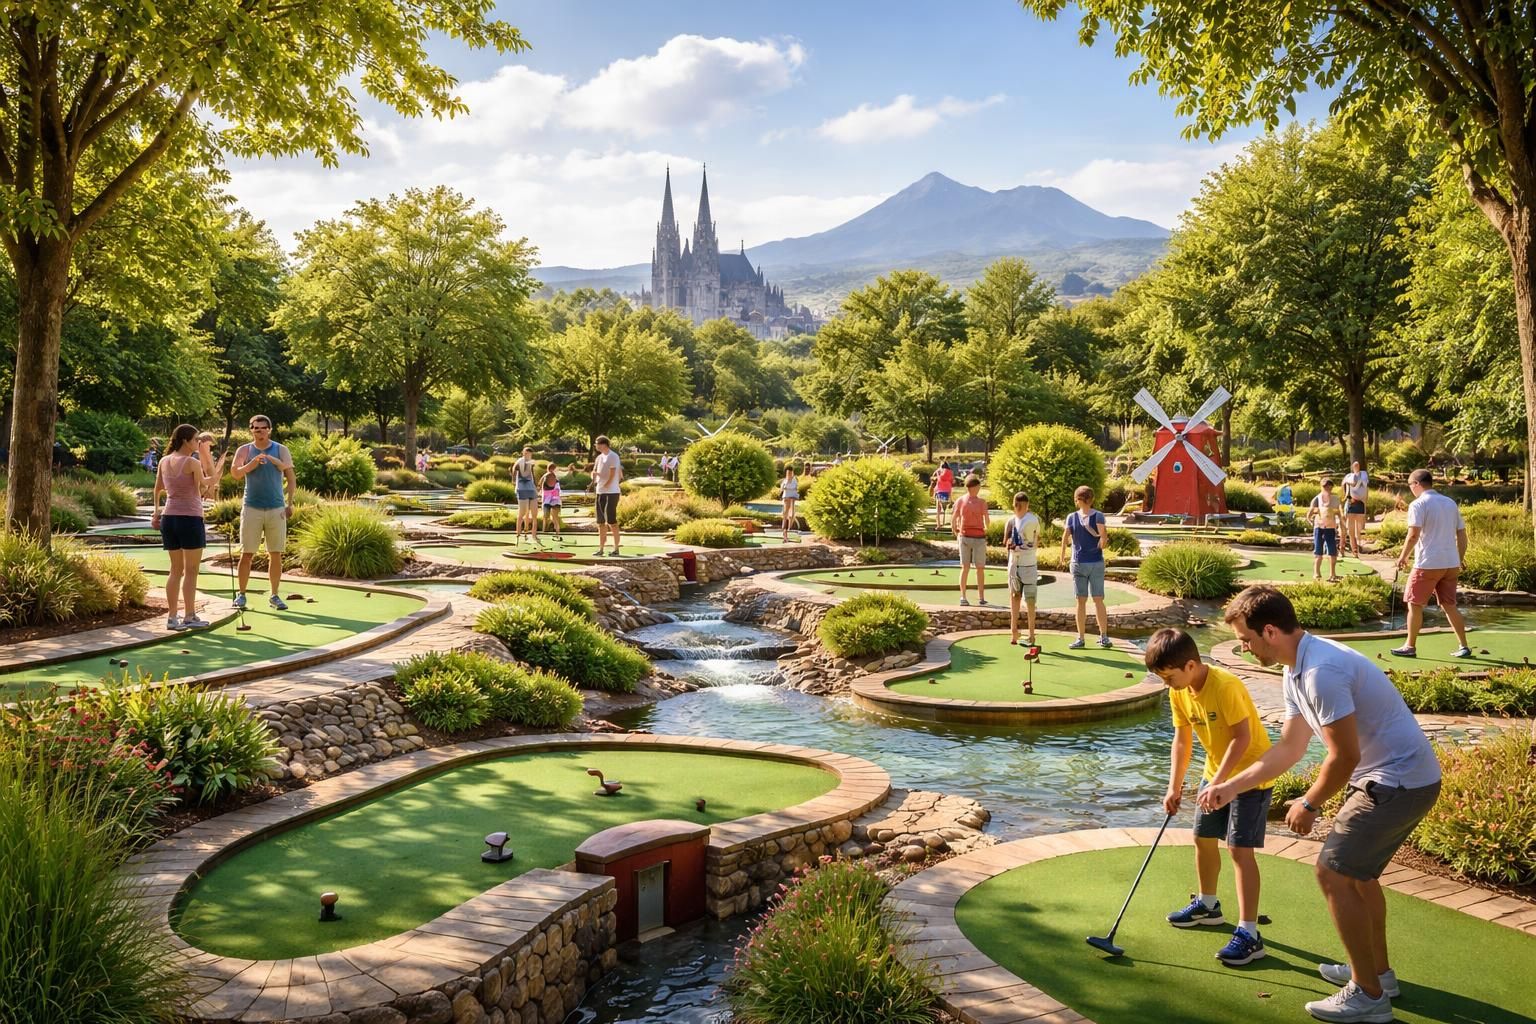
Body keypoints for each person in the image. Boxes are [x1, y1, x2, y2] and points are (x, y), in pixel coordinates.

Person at [1203, 586, 1441, 1023]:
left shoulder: (1321, 672)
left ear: (1269, 631)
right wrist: (1232, 786)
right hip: (1394, 779)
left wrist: (1310, 803)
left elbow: (1344, 756)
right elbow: (1289, 749)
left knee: (1332, 873)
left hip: (1397, 781)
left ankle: (1368, 996)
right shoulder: (1295, 669)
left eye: (1246, 640)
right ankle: (1378, 975)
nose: (1244, 648)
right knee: (1360, 877)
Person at [1146, 628, 1275, 966]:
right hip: (1215, 773)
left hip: (1251, 776)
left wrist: (1219, 783)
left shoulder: (1225, 686)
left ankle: (1250, 933)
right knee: (1202, 838)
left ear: (1190, 665)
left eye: (1169, 677)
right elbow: (1182, 740)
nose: (1166, 684)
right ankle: (1208, 905)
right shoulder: (1180, 691)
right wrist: (1174, 787)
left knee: (1239, 850)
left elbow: (1241, 739)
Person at [151, 424, 226, 630]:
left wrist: (156, 513)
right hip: (190, 518)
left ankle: (172, 617)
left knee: (175, 570)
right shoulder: (192, 462)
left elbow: (157, 489)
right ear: (185, 440)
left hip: (169, 518)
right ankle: (190, 615)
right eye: (195, 440)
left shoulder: (164, 461)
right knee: (191, 570)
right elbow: (205, 486)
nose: (197, 443)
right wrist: (218, 472)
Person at [1391, 469, 1472, 659]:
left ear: (1417, 484)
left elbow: (1413, 535)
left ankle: (1410, 646)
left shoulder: (1418, 504)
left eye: (1410, 485)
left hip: (1428, 563)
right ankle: (1464, 646)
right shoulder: (1450, 502)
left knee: (1414, 604)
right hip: (1450, 563)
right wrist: (1459, 558)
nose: (1410, 489)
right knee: (1449, 605)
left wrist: (1403, 557)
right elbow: (1462, 534)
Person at [230, 414, 296, 610]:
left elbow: (290, 475)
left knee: (275, 553)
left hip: (276, 508)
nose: (259, 431)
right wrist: (252, 464)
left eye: (263, 428)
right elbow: (235, 473)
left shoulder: (281, 449)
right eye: (256, 428)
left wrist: (290, 503)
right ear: (251, 430)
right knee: (247, 553)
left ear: (269, 430)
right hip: (252, 507)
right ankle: (241, 595)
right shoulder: (244, 450)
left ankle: (274, 595)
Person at [1059, 485, 1111, 649]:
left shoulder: (1072, 517)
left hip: (1079, 562)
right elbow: (1103, 537)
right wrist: (1101, 543)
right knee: (1098, 600)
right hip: (1096, 562)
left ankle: (1081, 638)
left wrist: (1062, 556)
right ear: (1092, 499)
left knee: (1080, 602)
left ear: (1077, 500)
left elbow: (1065, 537)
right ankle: (1104, 637)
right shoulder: (1099, 516)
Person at [1003, 491, 1040, 645]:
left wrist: (1019, 546)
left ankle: (1029, 634)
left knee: (1027, 600)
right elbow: (1006, 542)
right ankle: (1016, 632)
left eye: (1020, 505)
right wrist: (1013, 545)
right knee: (1016, 597)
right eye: (1017, 505)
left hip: (1026, 565)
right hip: (1016, 565)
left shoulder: (1031, 520)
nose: (1018, 508)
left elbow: (1035, 541)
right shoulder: (1012, 521)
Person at [951, 474, 990, 606]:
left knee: (980, 568)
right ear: (972, 487)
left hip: (978, 538)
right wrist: (956, 531)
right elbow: (954, 518)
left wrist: (986, 529)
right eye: (977, 487)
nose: (978, 489)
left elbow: (986, 519)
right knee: (965, 567)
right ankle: (963, 596)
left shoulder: (981, 502)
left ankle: (981, 597)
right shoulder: (961, 501)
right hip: (966, 537)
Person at [1308, 478, 1344, 581]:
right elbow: (1310, 512)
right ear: (1321, 487)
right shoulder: (1317, 499)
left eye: (1329, 486)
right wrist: (1310, 519)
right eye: (1325, 486)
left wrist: (1342, 523)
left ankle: (1332, 574)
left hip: (1330, 527)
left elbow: (1340, 512)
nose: (1327, 488)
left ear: (1331, 487)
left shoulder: (1335, 499)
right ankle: (1316, 573)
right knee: (1318, 550)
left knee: (1332, 550)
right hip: (1319, 527)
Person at [593, 435, 623, 556]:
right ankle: (601, 549)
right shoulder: (599, 458)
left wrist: (607, 484)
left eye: (597, 444)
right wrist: (594, 477)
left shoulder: (613, 456)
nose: (596, 446)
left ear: (603, 444)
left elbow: (613, 473)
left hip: (611, 492)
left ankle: (616, 549)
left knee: (611, 521)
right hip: (600, 492)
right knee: (600, 522)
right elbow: (596, 472)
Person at [513, 445, 540, 545]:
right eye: (527, 453)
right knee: (522, 512)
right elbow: (514, 469)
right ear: (523, 453)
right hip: (522, 488)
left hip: (531, 488)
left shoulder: (531, 463)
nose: (528, 455)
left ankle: (534, 535)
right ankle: (518, 534)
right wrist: (513, 480)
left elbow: (532, 473)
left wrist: (535, 485)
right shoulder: (519, 461)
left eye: (530, 454)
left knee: (534, 513)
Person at [1342, 461, 1369, 557]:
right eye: (1355, 466)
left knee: (1358, 529)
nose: (1356, 467)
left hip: (1360, 503)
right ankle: (1354, 550)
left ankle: (1357, 547)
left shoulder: (1364, 475)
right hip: (1351, 503)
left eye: (1358, 465)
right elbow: (1344, 485)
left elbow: (1366, 490)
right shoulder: (1349, 476)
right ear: (1352, 467)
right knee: (1350, 530)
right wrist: (1346, 496)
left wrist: (1365, 504)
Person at [540, 462, 564, 539]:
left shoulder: (556, 481)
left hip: (554, 501)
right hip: (547, 501)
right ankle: (545, 533)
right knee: (546, 517)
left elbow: (557, 492)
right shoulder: (545, 478)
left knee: (553, 518)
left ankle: (557, 534)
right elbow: (541, 486)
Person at [930, 461, 955, 530]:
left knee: (938, 511)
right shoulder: (950, 473)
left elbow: (933, 477)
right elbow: (952, 482)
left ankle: (938, 525)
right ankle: (951, 524)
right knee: (947, 509)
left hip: (939, 492)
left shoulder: (939, 472)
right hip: (947, 492)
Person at [780, 464, 799, 541]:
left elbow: (794, 487)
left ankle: (789, 528)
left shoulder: (794, 480)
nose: (789, 474)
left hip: (792, 497)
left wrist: (787, 486)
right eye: (788, 473)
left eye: (790, 473)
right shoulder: (785, 480)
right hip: (786, 497)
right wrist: (785, 485)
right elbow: (782, 488)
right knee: (785, 512)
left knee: (791, 512)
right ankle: (783, 528)